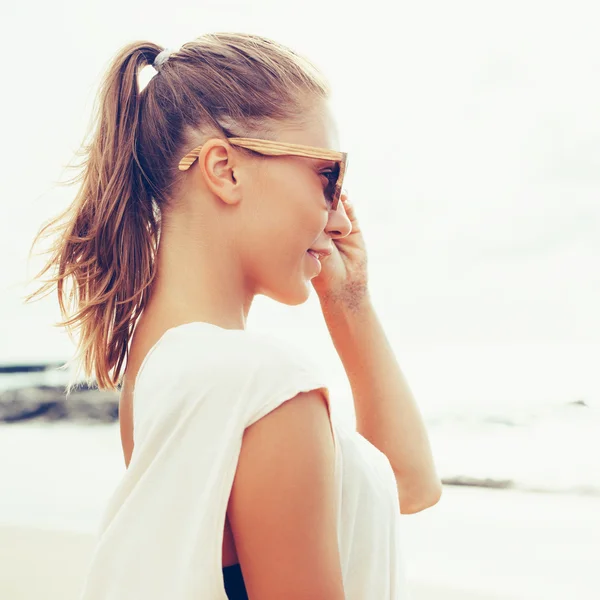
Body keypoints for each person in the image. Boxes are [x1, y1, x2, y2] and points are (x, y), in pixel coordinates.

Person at [27, 32, 442, 599]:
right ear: (224, 170)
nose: (340, 216)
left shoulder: (163, 373)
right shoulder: (262, 387)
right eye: (328, 176)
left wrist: (351, 304)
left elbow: (407, 487)